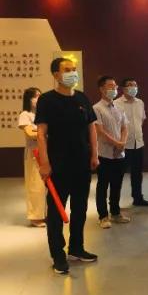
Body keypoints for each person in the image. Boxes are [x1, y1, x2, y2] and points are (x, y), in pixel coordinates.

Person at [36, 57, 99, 274]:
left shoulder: (82, 98)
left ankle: (76, 247)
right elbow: (41, 134)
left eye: (74, 69)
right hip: (58, 165)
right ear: (56, 74)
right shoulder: (47, 100)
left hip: (81, 162)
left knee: (80, 207)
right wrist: (45, 163)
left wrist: (94, 154)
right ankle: (58, 254)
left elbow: (91, 128)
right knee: (56, 211)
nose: (73, 73)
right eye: (67, 70)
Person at [93, 76, 131, 228]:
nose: (114, 89)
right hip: (104, 153)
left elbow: (125, 127)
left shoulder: (118, 108)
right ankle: (103, 216)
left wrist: (122, 143)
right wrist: (117, 144)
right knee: (103, 185)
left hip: (119, 153)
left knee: (117, 184)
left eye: (115, 86)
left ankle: (115, 213)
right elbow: (99, 131)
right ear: (101, 89)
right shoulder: (97, 108)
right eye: (110, 86)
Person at [118, 77, 148, 207]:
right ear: (123, 89)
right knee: (118, 175)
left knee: (137, 174)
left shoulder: (140, 103)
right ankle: (115, 203)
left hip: (138, 143)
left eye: (135, 85)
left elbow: (141, 120)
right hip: (122, 145)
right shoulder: (116, 104)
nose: (133, 87)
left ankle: (138, 198)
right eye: (130, 85)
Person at [18, 87, 46, 228]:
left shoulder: (43, 114)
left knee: (47, 186)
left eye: (40, 95)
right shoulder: (25, 114)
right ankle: (35, 217)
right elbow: (30, 133)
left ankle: (46, 213)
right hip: (33, 153)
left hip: (46, 151)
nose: (38, 98)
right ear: (28, 99)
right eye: (35, 96)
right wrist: (44, 133)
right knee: (36, 185)